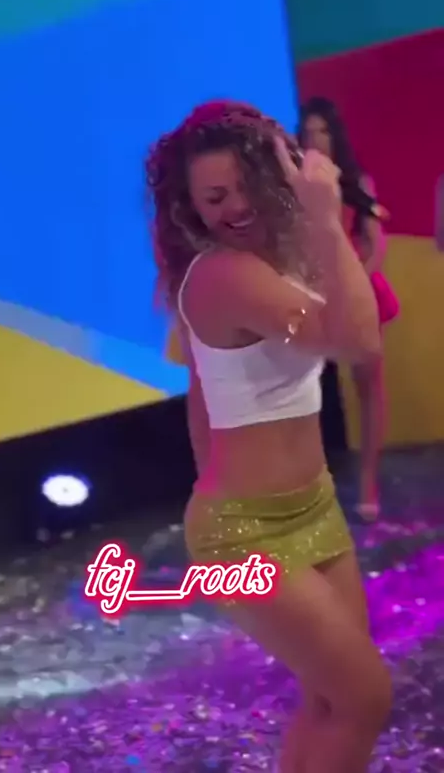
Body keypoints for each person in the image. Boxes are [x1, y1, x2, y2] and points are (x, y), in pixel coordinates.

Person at [146, 100, 391, 773]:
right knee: (364, 698)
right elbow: (358, 341)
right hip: (247, 532)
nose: (234, 207)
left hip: (313, 507)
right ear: (190, 208)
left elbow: (203, 402)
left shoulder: (283, 257)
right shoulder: (223, 273)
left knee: (330, 703)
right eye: (213, 198)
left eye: (243, 186)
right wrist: (326, 220)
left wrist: (320, 230)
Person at [299, 97, 399, 521]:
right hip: (311, 296)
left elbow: (377, 244)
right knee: (303, 395)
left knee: (368, 385)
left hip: (357, 289)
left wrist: (353, 285)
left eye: (322, 131)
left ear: (334, 135)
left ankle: (369, 484)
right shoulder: (294, 184)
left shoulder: (357, 184)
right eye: (308, 132)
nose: (315, 140)